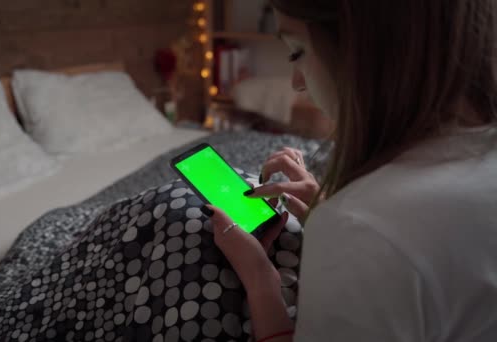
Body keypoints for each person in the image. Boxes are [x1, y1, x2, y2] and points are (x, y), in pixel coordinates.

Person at [206, 0, 497, 341]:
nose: (297, 82)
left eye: (297, 52)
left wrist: (259, 278)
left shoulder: (361, 229)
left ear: (370, 48)